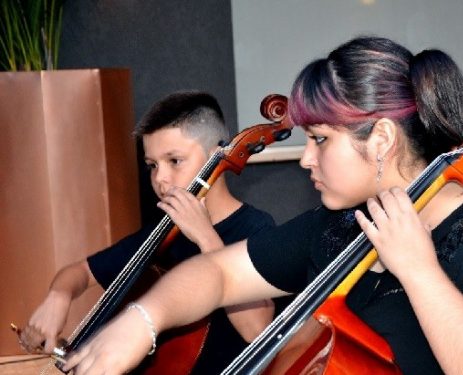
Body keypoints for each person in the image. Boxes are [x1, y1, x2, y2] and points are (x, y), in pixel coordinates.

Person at [63, 36, 463, 375]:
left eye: (320, 139)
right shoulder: (339, 225)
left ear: (380, 139)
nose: (305, 159)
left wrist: (421, 272)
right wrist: (141, 321)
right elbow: (218, 274)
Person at [17, 91, 277, 373]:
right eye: (152, 165)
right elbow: (80, 272)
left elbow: (258, 330)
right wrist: (59, 296)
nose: (160, 178)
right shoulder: (160, 235)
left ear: (215, 157)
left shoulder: (255, 228)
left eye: (174, 161)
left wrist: (206, 238)